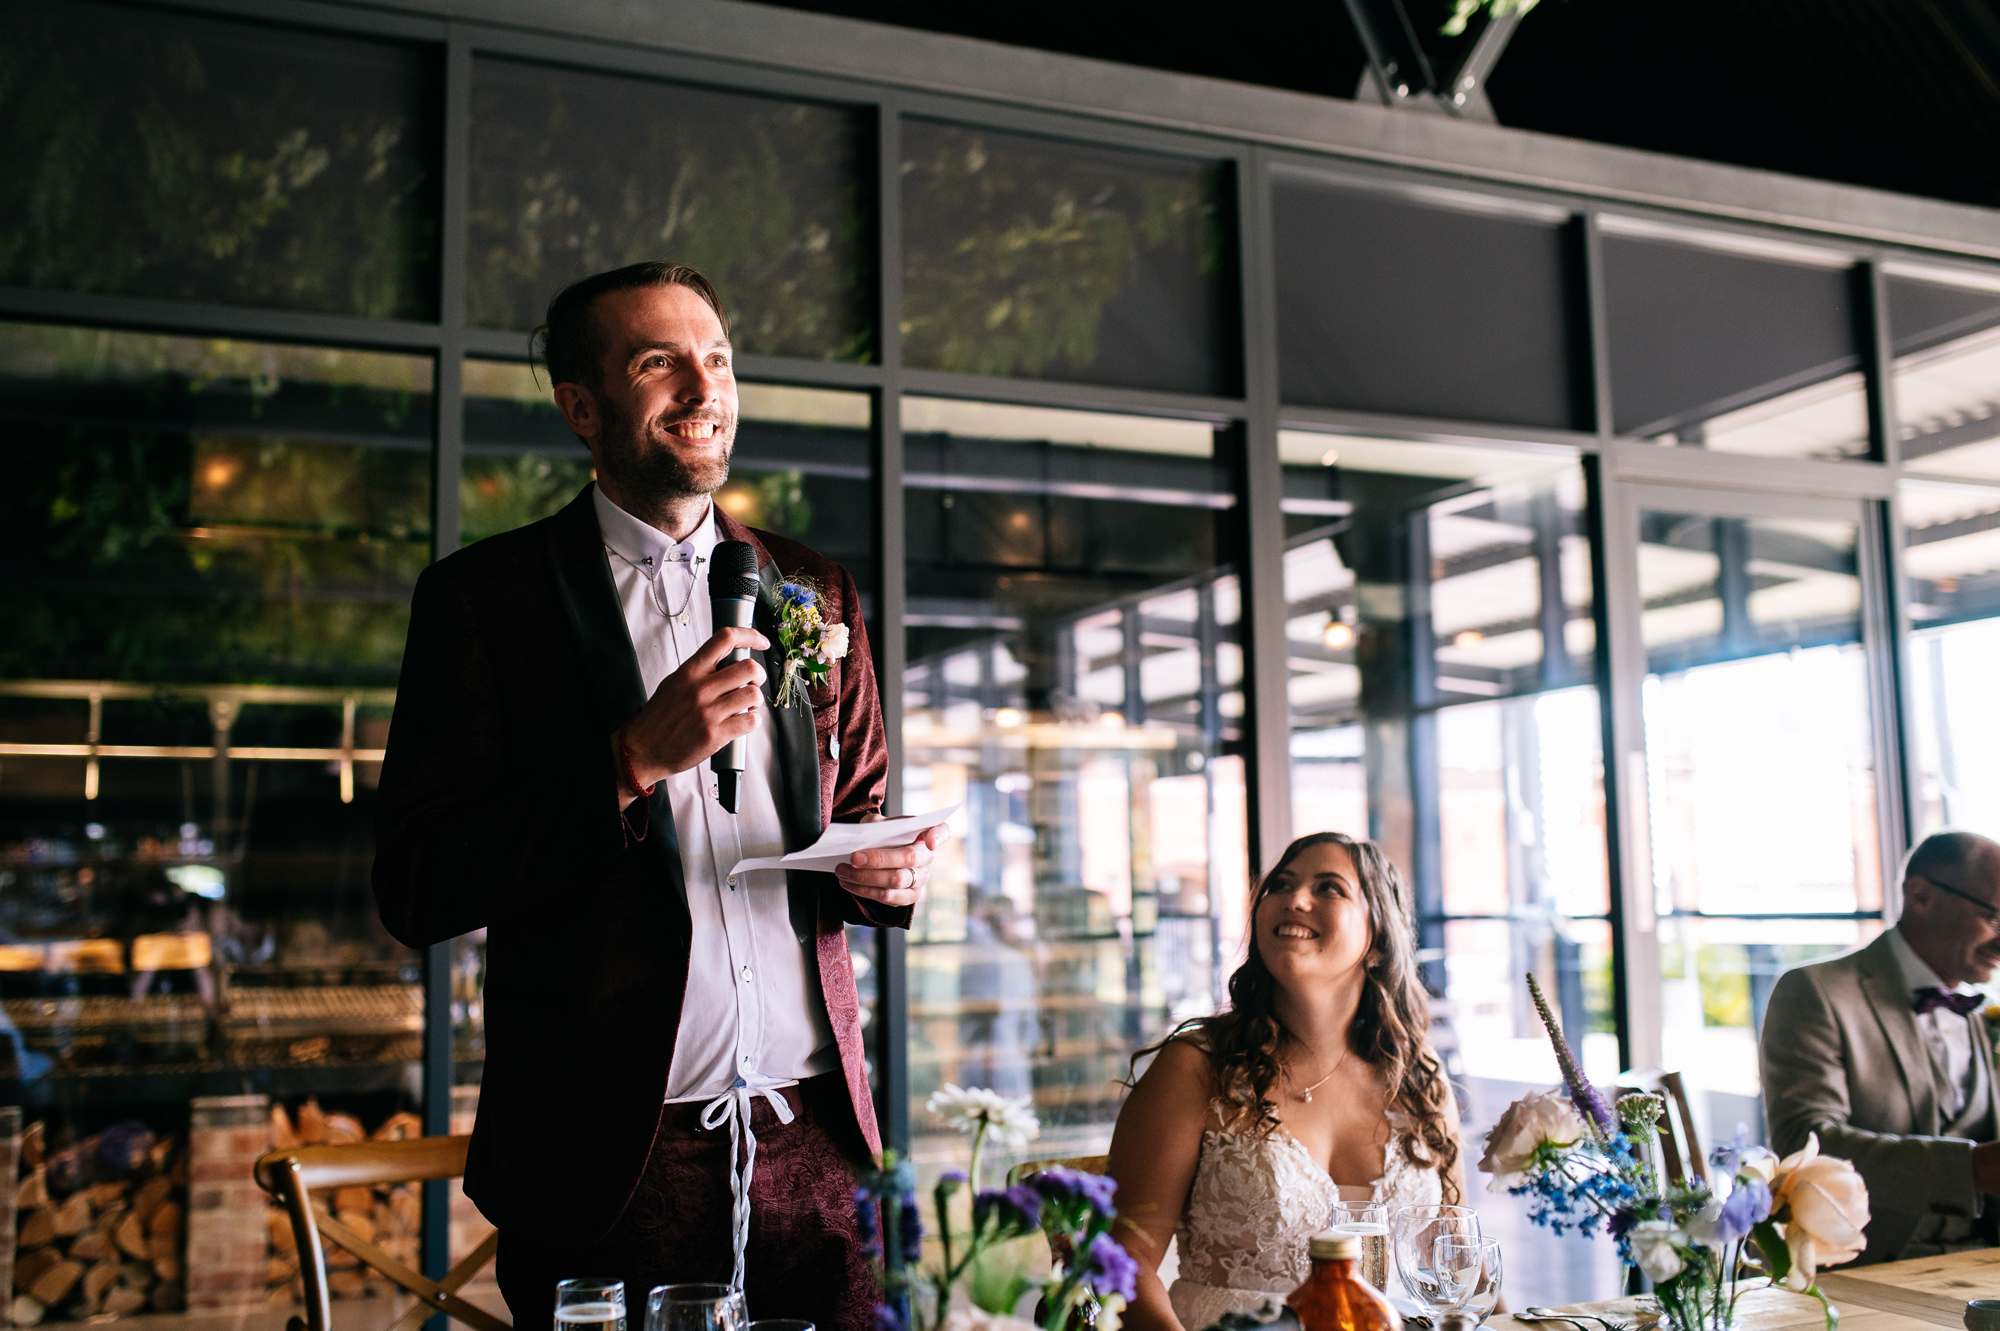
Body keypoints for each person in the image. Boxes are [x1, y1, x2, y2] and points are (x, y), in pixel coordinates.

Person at [371, 261, 942, 1331]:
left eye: (716, 358)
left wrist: (888, 869)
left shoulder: (813, 588)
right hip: (607, 1167)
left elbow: (860, 805)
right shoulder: (483, 601)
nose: (701, 384)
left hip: (816, 1149)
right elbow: (417, 883)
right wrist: (626, 759)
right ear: (580, 408)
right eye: (657, 361)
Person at [1105, 832, 1467, 1331]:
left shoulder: (1418, 1079)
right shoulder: (1196, 1068)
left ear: (1378, 942)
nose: (1295, 899)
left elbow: (1458, 1266)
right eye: (1281, 885)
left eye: (1329, 889)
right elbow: (1123, 1265)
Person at [1761, 830, 2000, 1263]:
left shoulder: (1986, 1015)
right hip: (1868, 1269)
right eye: (1994, 917)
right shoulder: (1815, 992)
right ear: (1922, 896)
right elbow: (1805, 1144)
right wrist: (1971, 1170)